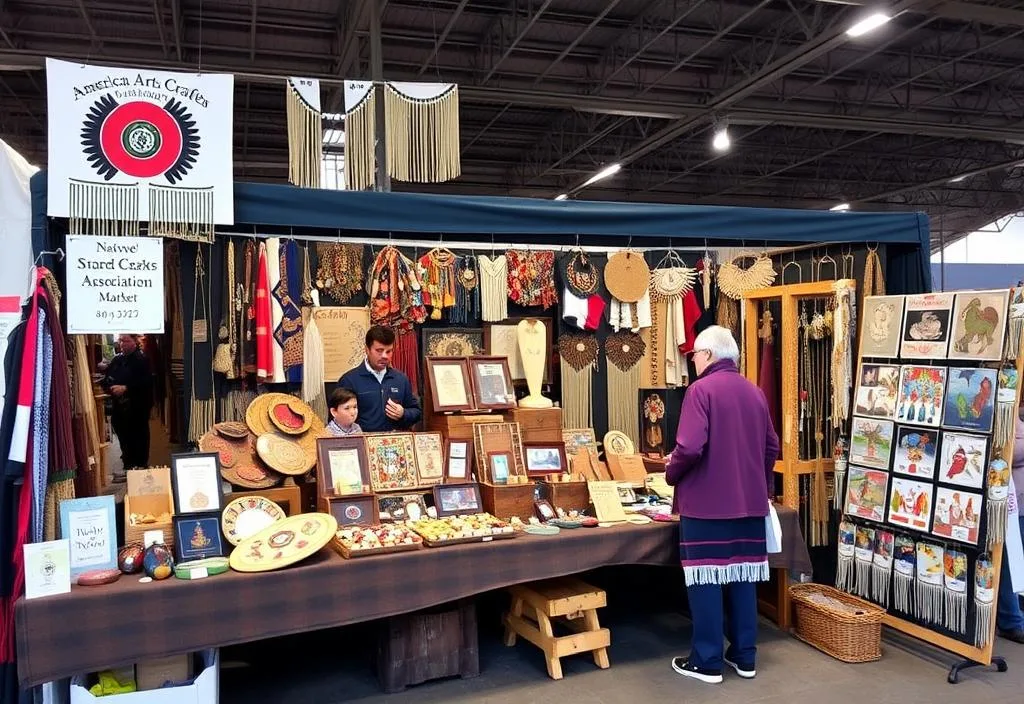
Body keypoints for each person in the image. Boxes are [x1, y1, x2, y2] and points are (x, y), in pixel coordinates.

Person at [665, 325, 779, 685]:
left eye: (695, 355)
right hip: (750, 504)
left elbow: (689, 447)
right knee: (744, 577)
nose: (693, 361)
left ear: (709, 355)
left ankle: (707, 660)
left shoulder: (700, 391)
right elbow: (771, 447)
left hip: (706, 506)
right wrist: (758, 483)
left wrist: (671, 471)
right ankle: (745, 657)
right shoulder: (755, 393)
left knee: (706, 582)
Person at [337, 325, 421, 432]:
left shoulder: (400, 379)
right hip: (363, 442)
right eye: (379, 351)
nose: (384, 356)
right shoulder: (349, 380)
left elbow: (416, 412)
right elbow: (337, 420)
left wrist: (403, 413)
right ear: (367, 350)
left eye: (389, 351)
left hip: (395, 443)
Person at [99, 334, 154, 473]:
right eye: (121, 340)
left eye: (126, 340)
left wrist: (126, 388)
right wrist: (109, 385)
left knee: (138, 435)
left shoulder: (142, 359)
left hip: (138, 405)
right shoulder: (118, 359)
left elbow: (147, 382)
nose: (122, 343)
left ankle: (140, 465)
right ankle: (128, 465)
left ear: (134, 342)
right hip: (119, 406)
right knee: (123, 434)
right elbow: (108, 378)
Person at [995, 392, 1024, 643]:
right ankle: (1011, 619)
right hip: (1012, 503)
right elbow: (1006, 453)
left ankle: (1016, 614)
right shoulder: (1009, 416)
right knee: (1010, 559)